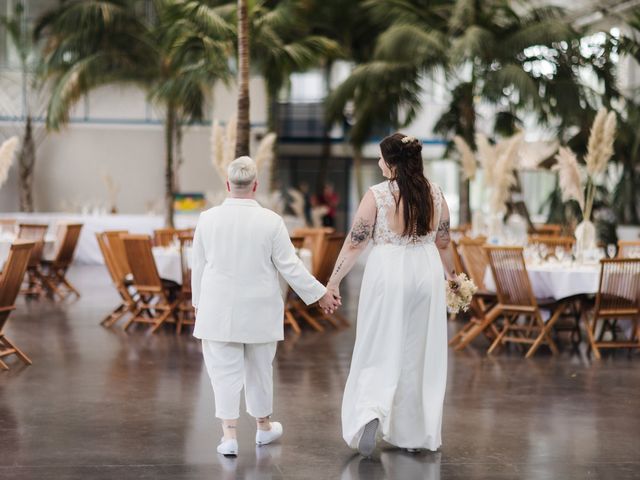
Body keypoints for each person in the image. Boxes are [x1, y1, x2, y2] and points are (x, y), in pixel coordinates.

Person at [191, 156, 340, 457]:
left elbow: (198, 267)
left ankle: (229, 436)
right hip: (260, 309)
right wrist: (321, 294)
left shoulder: (207, 219)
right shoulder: (271, 221)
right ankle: (263, 428)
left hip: (218, 309)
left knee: (223, 372)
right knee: (260, 369)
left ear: (228, 184)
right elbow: (291, 267)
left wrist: (198, 305)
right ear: (256, 185)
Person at [326, 133, 457, 456]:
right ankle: (414, 433)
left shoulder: (378, 195)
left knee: (378, 343)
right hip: (426, 273)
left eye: (382, 158)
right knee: (418, 352)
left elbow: (356, 242)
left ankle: (371, 411)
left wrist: (333, 282)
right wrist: (453, 278)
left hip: (389, 273)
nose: (379, 163)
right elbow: (443, 242)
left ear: (393, 162)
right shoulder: (436, 194)